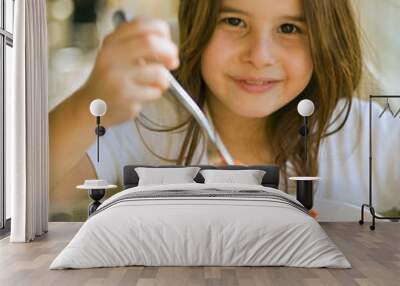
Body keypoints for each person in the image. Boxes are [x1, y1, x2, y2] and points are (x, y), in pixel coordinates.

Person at [49, 0, 400, 221]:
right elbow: (35, 190)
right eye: (234, 21)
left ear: (327, 39)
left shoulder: (362, 133)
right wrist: (88, 103)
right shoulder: (149, 122)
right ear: (197, 24)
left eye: (289, 28)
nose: (260, 55)